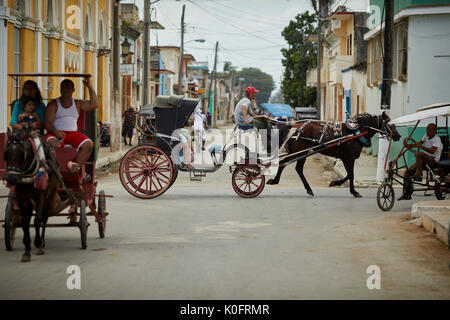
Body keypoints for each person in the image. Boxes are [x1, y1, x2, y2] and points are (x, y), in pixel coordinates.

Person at [44, 78, 99, 173]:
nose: (65, 89)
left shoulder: (77, 104)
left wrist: (89, 86)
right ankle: (53, 170)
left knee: (89, 144)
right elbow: (48, 123)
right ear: (60, 89)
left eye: (68, 87)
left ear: (73, 90)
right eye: (63, 87)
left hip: (73, 134)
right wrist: (56, 133)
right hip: (55, 133)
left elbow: (94, 104)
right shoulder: (53, 104)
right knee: (52, 145)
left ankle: (75, 166)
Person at [398, 123, 443, 201]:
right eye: (427, 130)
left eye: (429, 130)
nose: (427, 132)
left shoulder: (437, 139)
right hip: (423, 159)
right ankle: (406, 193)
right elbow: (419, 143)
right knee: (407, 172)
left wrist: (421, 147)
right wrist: (410, 145)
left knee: (418, 153)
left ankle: (419, 175)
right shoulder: (426, 136)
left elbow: (432, 151)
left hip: (433, 160)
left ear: (434, 131)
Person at [234, 86, 272, 151]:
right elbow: (243, 107)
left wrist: (263, 116)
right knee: (262, 126)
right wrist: (246, 119)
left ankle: (269, 137)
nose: (255, 95)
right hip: (242, 121)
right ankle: (270, 140)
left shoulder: (246, 100)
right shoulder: (247, 101)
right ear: (251, 94)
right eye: (254, 93)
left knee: (265, 120)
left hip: (245, 119)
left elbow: (253, 115)